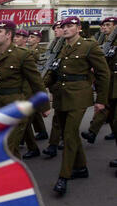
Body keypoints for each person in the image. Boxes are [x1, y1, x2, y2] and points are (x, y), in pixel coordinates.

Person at [44, 16, 110, 195]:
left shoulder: (89, 46)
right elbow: (54, 72)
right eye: (63, 26)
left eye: (70, 26)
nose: (65, 29)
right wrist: (40, 84)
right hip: (62, 96)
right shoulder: (60, 48)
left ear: (79, 28)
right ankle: (81, 168)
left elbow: (104, 74)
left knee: (69, 135)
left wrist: (101, 100)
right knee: (69, 134)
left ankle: (63, 177)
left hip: (80, 96)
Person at [0, 21, 48, 159]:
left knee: (7, 150)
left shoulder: (22, 55)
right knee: (7, 150)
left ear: (8, 35)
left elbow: (36, 81)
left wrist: (45, 106)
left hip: (15, 107)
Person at [81, 17, 117, 145]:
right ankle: (93, 132)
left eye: (108, 25)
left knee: (110, 109)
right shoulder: (102, 41)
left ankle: (93, 131)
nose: (104, 28)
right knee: (106, 107)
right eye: (103, 26)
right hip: (108, 80)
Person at [42, 20, 65, 158]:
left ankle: (55, 143)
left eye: (58, 28)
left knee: (60, 117)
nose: (56, 30)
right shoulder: (53, 45)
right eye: (55, 28)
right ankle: (55, 143)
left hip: (69, 87)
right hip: (55, 84)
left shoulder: (69, 46)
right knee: (59, 116)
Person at [27, 30, 49, 141]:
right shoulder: (26, 50)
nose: (29, 39)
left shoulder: (42, 51)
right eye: (29, 37)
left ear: (38, 39)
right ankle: (42, 131)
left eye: (32, 37)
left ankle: (23, 136)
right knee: (34, 109)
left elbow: (43, 66)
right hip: (30, 82)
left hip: (37, 80)